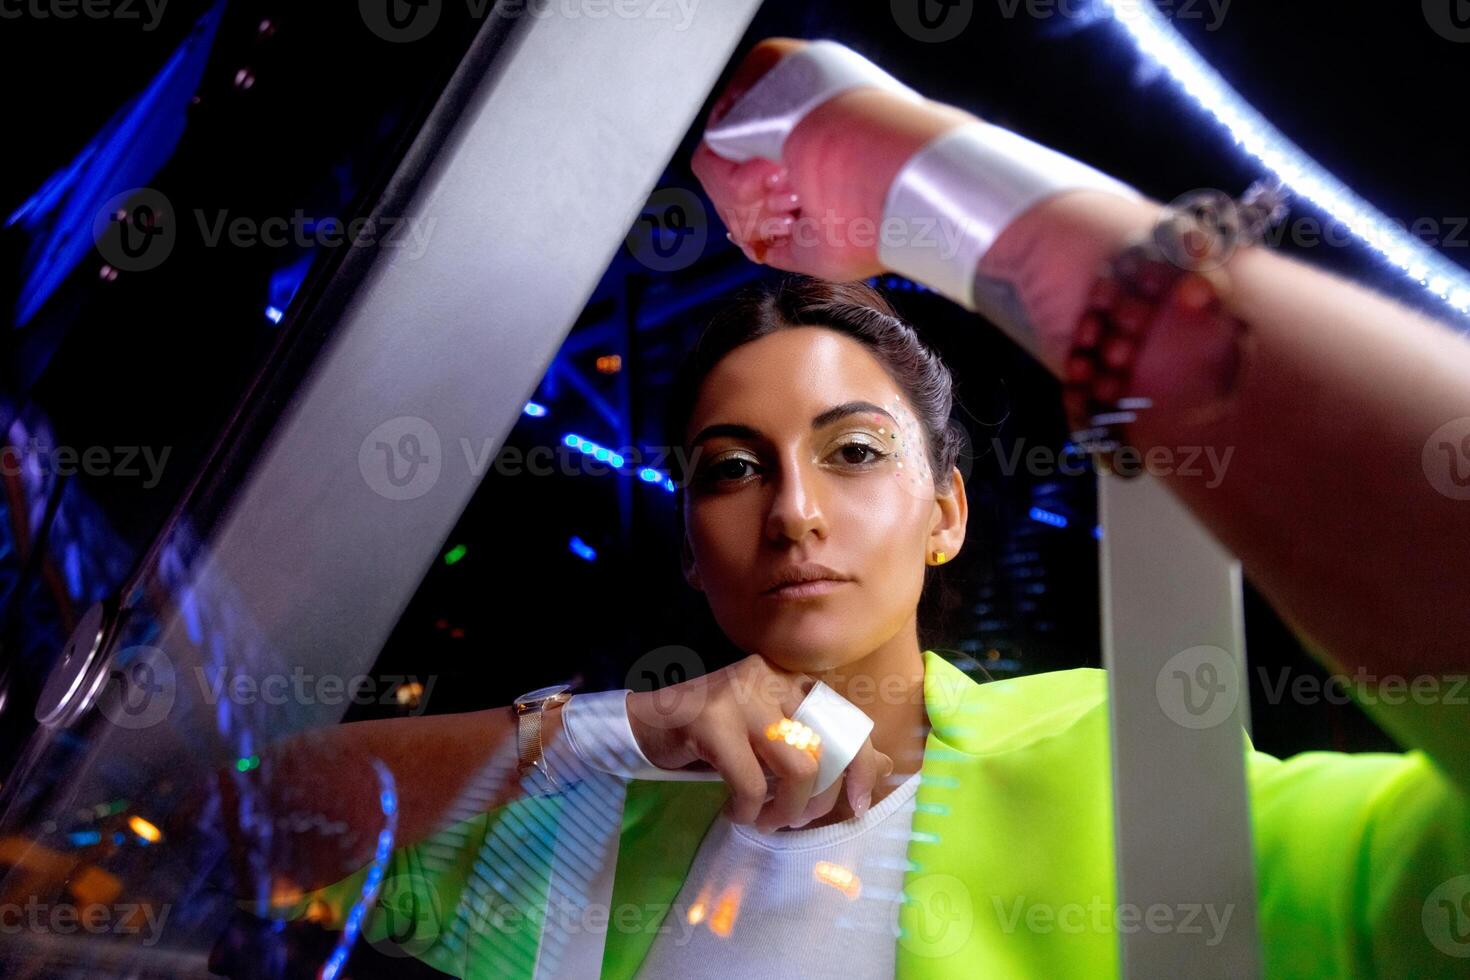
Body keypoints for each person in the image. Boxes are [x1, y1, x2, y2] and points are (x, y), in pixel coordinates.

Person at [227, 37, 1469, 979]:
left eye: (856, 451)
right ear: (691, 543)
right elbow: (234, 819)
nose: (794, 512)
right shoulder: (601, 809)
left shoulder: (1111, 758)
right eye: (732, 466)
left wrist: (924, 172)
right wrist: (632, 727)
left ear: (947, 515)